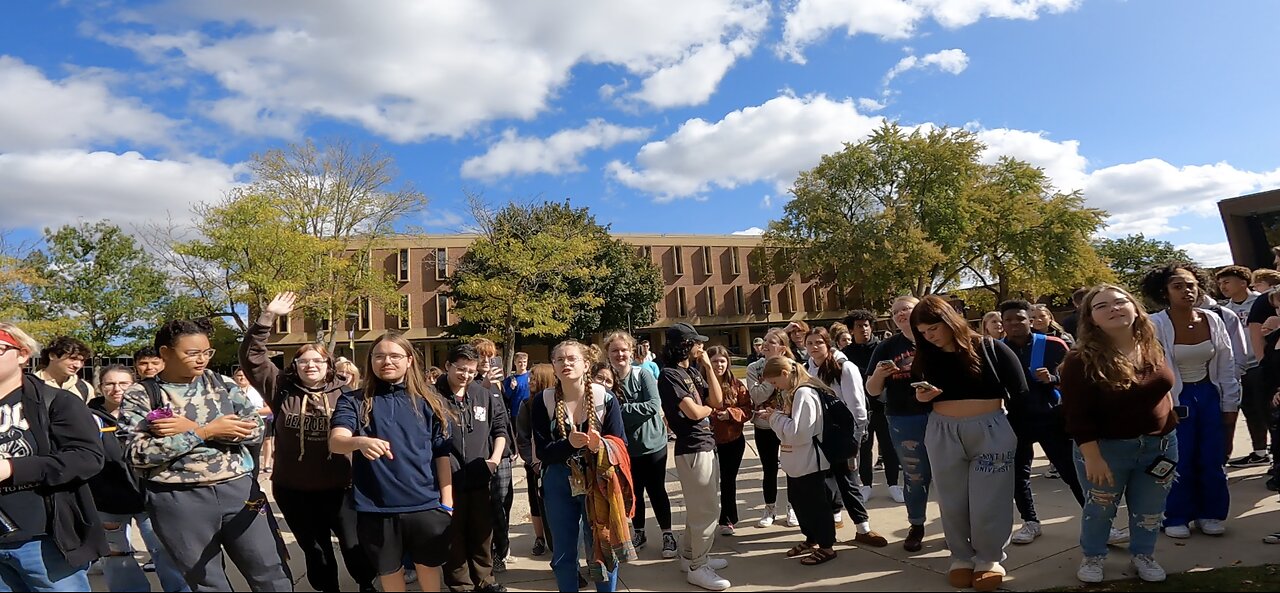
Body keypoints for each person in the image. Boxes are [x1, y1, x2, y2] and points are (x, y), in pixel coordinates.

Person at [118, 318, 291, 592]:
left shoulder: (222, 384)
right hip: (179, 500)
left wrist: (192, 429)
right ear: (165, 352)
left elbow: (256, 429)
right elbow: (138, 454)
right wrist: (205, 432)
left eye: (206, 352)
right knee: (206, 582)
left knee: (271, 570)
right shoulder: (143, 394)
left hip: (240, 491)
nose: (202, 360)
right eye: (192, 353)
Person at [239, 293, 377, 593]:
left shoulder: (347, 394)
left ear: (329, 365)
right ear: (295, 364)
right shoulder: (280, 388)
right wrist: (267, 317)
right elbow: (252, 357)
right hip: (295, 489)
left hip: (342, 487)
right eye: (303, 361)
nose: (310, 365)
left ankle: (366, 584)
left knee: (355, 546)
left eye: (317, 360)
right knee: (316, 551)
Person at [1061, 284, 1179, 583]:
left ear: (1134, 308)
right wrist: (1092, 457)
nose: (1113, 308)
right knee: (1100, 509)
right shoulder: (1080, 360)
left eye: (1119, 302)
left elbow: (1163, 391)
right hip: (1106, 450)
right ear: (1091, 319)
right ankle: (1093, 557)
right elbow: (1076, 415)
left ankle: (1143, 555)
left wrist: (1169, 423)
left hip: (1159, 447)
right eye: (1101, 306)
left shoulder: (1152, 345)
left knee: (1150, 510)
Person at [910, 295, 1025, 592]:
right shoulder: (925, 355)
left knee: (990, 499)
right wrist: (922, 397)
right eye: (922, 332)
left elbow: (1020, 391)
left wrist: (1018, 435)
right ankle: (961, 556)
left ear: (949, 320)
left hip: (991, 428)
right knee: (951, 499)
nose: (928, 336)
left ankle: (989, 559)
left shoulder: (989, 347)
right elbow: (919, 394)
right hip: (942, 430)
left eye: (932, 328)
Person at [328, 332, 457, 593]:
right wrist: (359, 442)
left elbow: (441, 453)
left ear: (409, 360)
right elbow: (336, 441)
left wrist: (447, 501)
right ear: (371, 361)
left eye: (395, 356)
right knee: (389, 571)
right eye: (379, 356)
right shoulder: (354, 400)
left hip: (426, 504)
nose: (387, 361)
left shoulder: (430, 399)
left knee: (428, 568)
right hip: (376, 508)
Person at [0, 323, 107, 592]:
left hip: (43, 542)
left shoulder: (56, 401)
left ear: (22, 354)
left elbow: (87, 457)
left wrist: (12, 468)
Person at [1141, 263, 1238, 539]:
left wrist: (1230, 405)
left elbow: (1227, 365)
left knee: (1212, 457)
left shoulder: (1213, 319)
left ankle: (1211, 513)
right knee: (1177, 459)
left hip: (1208, 393)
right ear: (1164, 291)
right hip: (1174, 398)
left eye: (1192, 285)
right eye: (1178, 286)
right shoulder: (1155, 323)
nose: (1187, 291)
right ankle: (1176, 515)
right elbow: (1151, 369)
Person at [530, 340, 630, 592]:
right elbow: (542, 451)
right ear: (553, 366)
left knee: (601, 544)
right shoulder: (544, 401)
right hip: (558, 481)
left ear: (586, 364)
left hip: (597, 480)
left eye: (572, 359)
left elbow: (622, 444)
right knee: (563, 550)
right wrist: (569, 444)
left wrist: (601, 446)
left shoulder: (604, 398)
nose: (566, 364)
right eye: (560, 359)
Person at [88, 365, 188, 593]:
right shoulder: (87, 417)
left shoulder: (151, 414)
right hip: (107, 501)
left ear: (134, 385)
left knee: (164, 550)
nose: (117, 389)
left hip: (149, 497)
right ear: (100, 387)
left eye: (124, 383)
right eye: (110, 384)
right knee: (116, 558)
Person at [998, 300, 1087, 546]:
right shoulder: (996, 349)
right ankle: (1030, 522)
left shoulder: (1053, 344)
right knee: (1018, 476)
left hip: (1051, 418)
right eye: (1009, 320)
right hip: (1014, 420)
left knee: (1071, 472)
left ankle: (1096, 522)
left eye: (1020, 318)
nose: (1015, 323)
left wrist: (1054, 378)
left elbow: (1078, 377)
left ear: (1031, 320)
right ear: (1003, 323)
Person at [658, 323, 729, 591]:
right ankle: (698, 567)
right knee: (707, 510)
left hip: (706, 444)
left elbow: (718, 399)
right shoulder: (669, 375)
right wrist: (708, 408)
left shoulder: (691, 371)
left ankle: (690, 557)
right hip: (693, 448)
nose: (701, 347)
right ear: (684, 345)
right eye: (697, 343)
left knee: (701, 508)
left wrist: (708, 367)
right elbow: (694, 413)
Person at [437, 344, 508, 592]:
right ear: (447, 366)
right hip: (446, 480)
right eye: (460, 369)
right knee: (453, 537)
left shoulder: (483, 394)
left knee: (482, 534)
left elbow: (500, 429)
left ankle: (484, 580)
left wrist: (494, 460)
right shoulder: (431, 396)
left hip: (479, 476)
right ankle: (461, 584)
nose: (465, 375)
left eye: (470, 371)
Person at [805, 328, 887, 547]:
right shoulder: (807, 369)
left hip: (843, 434)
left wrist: (857, 435)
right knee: (823, 484)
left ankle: (863, 528)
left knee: (848, 482)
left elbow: (857, 404)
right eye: (810, 343)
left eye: (819, 342)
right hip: (817, 434)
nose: (814, 347)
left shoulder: (844, 367)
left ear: (828, 344)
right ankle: (825, 530)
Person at [757, 357, 839, 566]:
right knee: (800, 501)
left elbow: (799, 432)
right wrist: (778, 416)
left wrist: (774, 418)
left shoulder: (804, 392)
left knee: (816, 504)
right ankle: (811, 538)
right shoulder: (793, 393)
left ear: (785, 374)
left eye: (775, 382)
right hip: (797, 461)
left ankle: (827, 546)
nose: (775, 387)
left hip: (809, 460)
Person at [865, 296, 932, 552]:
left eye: (906, 308)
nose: (901, 314)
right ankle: (916, 525)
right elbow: (871, 390)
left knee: (950, 475)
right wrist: (880, 375)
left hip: (942, 415)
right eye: (895, 312)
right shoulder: (886, 347)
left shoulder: (936, 338)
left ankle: (955, 526)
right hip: (904, 418)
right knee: (915, 476)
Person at [602, 332, 674, 559]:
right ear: (608, 354)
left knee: (657, 490)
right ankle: (639, 532)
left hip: (652, 445)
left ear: (631, 351)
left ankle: (667, 533)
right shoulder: (606, 379)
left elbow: (653, 405)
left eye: (623, 350)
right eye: (614, 350)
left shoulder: (641, 374)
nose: (619, 354)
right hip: (624, 449)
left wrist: (619, 412)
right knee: (633, 493)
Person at [842, 309, 901, 504]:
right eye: (859, 326)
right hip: (860, 408)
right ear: (851, 330)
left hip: (883, 405)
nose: (864, 330)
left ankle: (893, 484)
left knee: (888, 446)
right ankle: (866, 485)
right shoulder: (846, 354)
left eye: (866, 325)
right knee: (864, 448)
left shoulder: (882, 348)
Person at [470, 338, 517, 577]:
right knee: (491, 505)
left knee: (504, 502)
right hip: (484, 454)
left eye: (490, 356)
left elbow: (504, 418)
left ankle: (503, 546)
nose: (486, 361)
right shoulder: (473, 384)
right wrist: (485, 386)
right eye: (481, 356)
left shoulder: (498, 383)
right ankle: (496, 552)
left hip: (505, 453)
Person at [744, 329, 797, 528]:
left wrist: (781, 367)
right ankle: (770, 509)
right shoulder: (753, 368)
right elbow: (757, 396)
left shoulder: (793, 367)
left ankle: (792, 508)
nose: (765, 344)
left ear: (782, 347)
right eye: (764, 340)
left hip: (788, 425)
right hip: (764, 425)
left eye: (772, 342)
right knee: (769, 468)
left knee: (791, 468)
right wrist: (771, 372)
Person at [1217, 266, 1269, 467]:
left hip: (1261, 364)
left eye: (1227, 282)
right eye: (1220, 283)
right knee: (1249, 410)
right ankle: (1260, 451)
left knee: (1266, 409)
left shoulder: (1261, 301)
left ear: (1243, 282)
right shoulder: (1224, 310)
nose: (1223, 287)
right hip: (1239, 368)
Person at [706, 346, 751, 536]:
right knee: (707, 484)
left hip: (733, 440)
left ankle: (728, 519)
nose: (719, 365)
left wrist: (731, 414)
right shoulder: (700, 383)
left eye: (722, 361)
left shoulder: (737, 384)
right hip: (707, 441)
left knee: (727, 481)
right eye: (715, 361)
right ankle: (706, 522)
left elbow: (748, 409)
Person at [515, 363, 556, 557]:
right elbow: (522, 438)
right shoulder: (526, 405)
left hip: (554, 462)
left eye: (534, 378)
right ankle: (540, 537)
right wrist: (533, 462)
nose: (530, 381)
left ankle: (556, 540)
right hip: (534, 465)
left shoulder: (556, 402)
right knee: (536, 503)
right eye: (530, 377)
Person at [231, 367, 273, 480]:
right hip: (235, 425)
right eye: (239, 375)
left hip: (257, 424)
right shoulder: (228, 391)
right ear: (234, 377)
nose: (242, 378)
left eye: (244, 375)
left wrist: (251, 412)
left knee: (254, 454)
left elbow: (270, 408)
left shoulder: (258, 392)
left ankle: (254, 482)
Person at [36, 336, 96, 402]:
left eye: (82, 360)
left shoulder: (85, 388)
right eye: (73, 358)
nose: (78, 365)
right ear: (52, 356)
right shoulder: (29, 385)